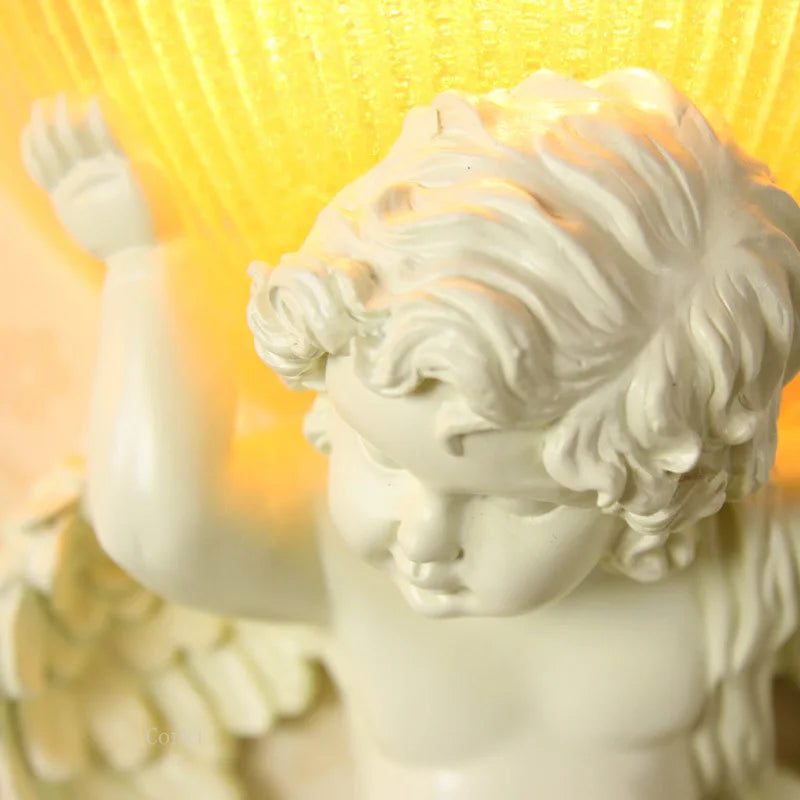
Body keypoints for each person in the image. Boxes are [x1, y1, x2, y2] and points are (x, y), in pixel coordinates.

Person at [23, 69, 800, 799]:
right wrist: (147, 263)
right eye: (382, 455)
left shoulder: (741, 554)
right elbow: (164, 534)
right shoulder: (340, 560)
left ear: (656, 489)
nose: (425, 536)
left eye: (520, 503)